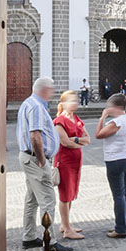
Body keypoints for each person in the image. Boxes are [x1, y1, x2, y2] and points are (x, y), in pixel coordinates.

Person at [17, 77, 73, 251]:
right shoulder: (36, 106)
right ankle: (50, 243)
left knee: (32, 198)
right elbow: (35, 136)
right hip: (35, 159)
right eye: (52, 89)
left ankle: (29, 237)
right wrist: (41, 159)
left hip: (28, 157)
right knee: (48, 200)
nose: (53, 92)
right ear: (45, 90)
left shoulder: (28, 103)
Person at [95, 93, 126, 238]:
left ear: (115, 107)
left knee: (118, 194)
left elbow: (99, 135)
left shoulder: (116, 122)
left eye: (108, 106)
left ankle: (120, 228)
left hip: (115, 159)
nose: (107, 109)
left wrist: (102, 118)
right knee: (125, 191)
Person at [53, 90, 89, 240]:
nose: (76, 103)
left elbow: (88, 139)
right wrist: (77, 142)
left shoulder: (77, 119)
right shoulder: (59, 121)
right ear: (64, 103)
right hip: (65, 161)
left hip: (75, 160)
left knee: (72, 191)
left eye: (77, 100)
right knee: (65, 194)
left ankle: (65, 224)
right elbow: (64, 142)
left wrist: (75, 140)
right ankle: (67, 229)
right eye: (72, 100)